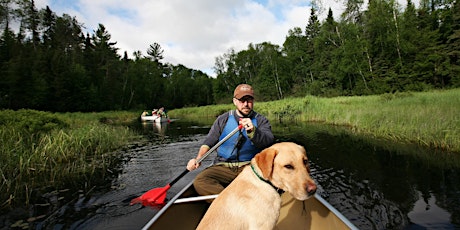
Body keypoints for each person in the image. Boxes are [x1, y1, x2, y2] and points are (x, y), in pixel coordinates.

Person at [186, 83, 274, 196]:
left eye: (249, 100)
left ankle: (229, 200)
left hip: (249, 167)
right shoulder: (222, 119)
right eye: (242, 100)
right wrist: (198, 158)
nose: (246, 104)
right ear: (235, 101)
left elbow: (269, 141)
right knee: (200, 181)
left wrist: (253, 131)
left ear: (253, 101)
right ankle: (233, 201)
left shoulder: (261, 120)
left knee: (267, 183)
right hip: (223, 166)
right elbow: (209, 142)